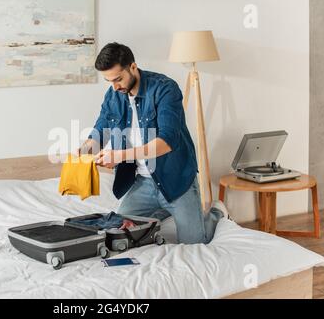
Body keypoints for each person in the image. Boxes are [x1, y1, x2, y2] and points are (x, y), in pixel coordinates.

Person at [77, 42, 229, 244]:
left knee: (195, 242)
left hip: (176, 180)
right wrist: (86, 149)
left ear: (133, 67)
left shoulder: (165, 89)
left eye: (118, 79)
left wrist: (119, 156)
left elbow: (167, 142)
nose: (115, 87)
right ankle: (162, 210)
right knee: (119, 235)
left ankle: (216, 214)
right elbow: (101, 129)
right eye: (109, 81)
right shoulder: (114, 95)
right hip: (142, 184)